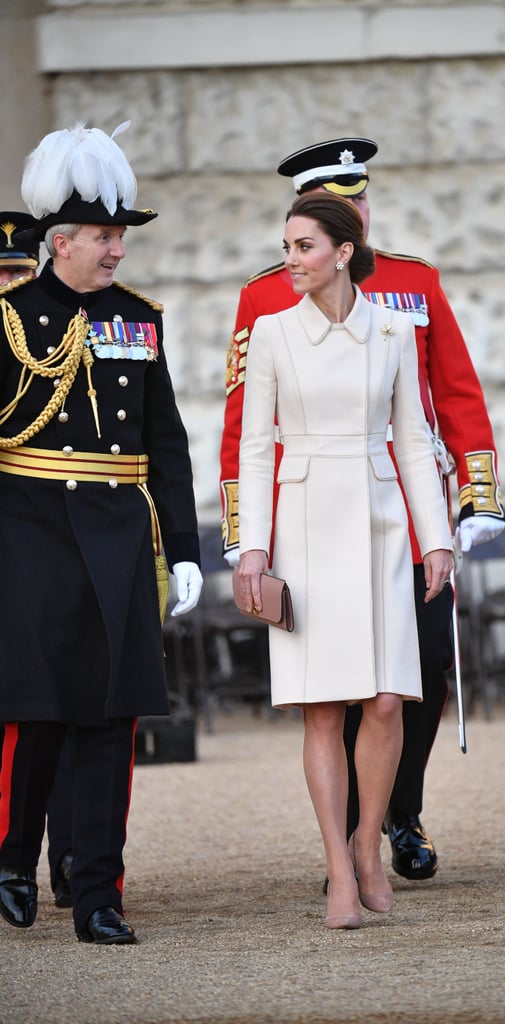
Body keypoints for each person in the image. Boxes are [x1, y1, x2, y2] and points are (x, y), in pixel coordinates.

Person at [220, 138, 505, 881]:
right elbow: (241, 429)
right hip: (308, 513)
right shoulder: (262, 298)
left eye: (362, 197)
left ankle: (399, 814)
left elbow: (454, 393)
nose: (358, 211)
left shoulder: (413, 282)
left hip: (399, 513)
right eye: (339, 201)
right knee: (334, 687)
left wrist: (475, 497)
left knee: (423, 674)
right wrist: (244, 533)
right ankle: (349, 838)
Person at [0, 122, 203, 945]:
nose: (118, 250)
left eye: (121, 236)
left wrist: (186, 550)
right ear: (61, 243)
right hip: (28, 532)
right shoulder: (10, 317)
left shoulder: (140, 320)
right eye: (106, 237)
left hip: (119, 535)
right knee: (37, 712)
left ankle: (97, 894)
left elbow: (167, 442)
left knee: (110, 718)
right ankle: (13, 860)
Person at [236, 191, 454, 928]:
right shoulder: (269, 332)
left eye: (303, 246)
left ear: (342, 251)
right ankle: (337, 869)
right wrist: (252, 547)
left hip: (379, 520)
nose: (290, 259)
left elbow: (416, 439)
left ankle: (369, 844)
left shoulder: (394, 330)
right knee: (323, 709)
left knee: (387, 700)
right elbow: (255, 447)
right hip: (299, 525)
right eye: (288, 244)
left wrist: (436, 538)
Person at [0, 209, 75, 909]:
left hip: (48, 547)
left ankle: (61, 859)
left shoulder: (64, 336)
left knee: (54, 708)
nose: (8, 288)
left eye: (17, 274)